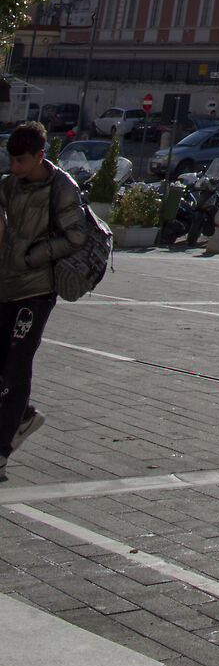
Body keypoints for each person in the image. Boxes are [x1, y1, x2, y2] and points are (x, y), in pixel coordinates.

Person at [0, 119, 87, 479]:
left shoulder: (61, 188)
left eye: (21, 161)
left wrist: (31, 256)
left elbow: (77, 236)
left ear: (40, 156)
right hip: (5, 286)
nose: (15, 168)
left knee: (16, 369)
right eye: (11, 161)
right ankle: (23, 417)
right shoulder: (9, 185)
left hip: (36, 289)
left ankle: (1, 452)